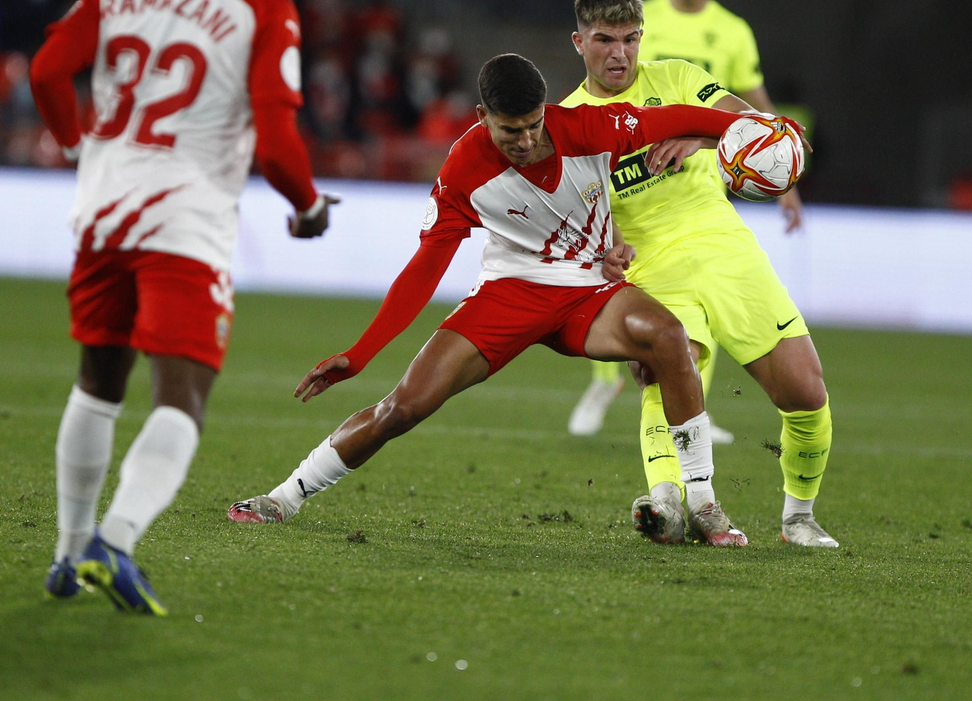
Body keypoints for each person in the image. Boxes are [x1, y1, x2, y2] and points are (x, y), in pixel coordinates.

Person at [228, 53, 748, 546]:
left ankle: (702, 501)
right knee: (403, 409)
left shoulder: (591, 127)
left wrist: (763, 128)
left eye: (533, 125)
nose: (524, 140)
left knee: (668, 336)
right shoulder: (463, 169)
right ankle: (285, 497)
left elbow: (688, 117)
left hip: (591, 288)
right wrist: (360, 354)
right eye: (509, 129)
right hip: (510, 292)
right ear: (482, 117)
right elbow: (424, 269)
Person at [27, 0, 336, 615]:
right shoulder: (264, 9)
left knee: (98, 380)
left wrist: (76, 143)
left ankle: (67, 554)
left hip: (103, 210)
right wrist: (306, 206)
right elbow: (275, 143)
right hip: (183, 220)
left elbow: (43, 73)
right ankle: (117, 539)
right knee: (182, 394)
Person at [562, 0, 837, 547]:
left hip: (725, 248)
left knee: (805, 392)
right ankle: (668, 502)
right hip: (652, 267)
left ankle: (798, 518)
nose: (621, 54)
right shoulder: (565, 126)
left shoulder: (679, 79)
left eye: (631, 39)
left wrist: (698, 133)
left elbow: (755, 126)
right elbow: (578, 226)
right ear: (579, 42)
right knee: (667, 375)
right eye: (605, 40)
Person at [568, 0, 798, 438]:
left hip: (701, 182)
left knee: (700, 306)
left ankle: (692, 411)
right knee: (619, 276)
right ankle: (605, 383)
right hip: (634, 186)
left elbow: (753, 106)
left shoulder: (733, 30)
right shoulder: (638, 20)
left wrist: (782, 176)